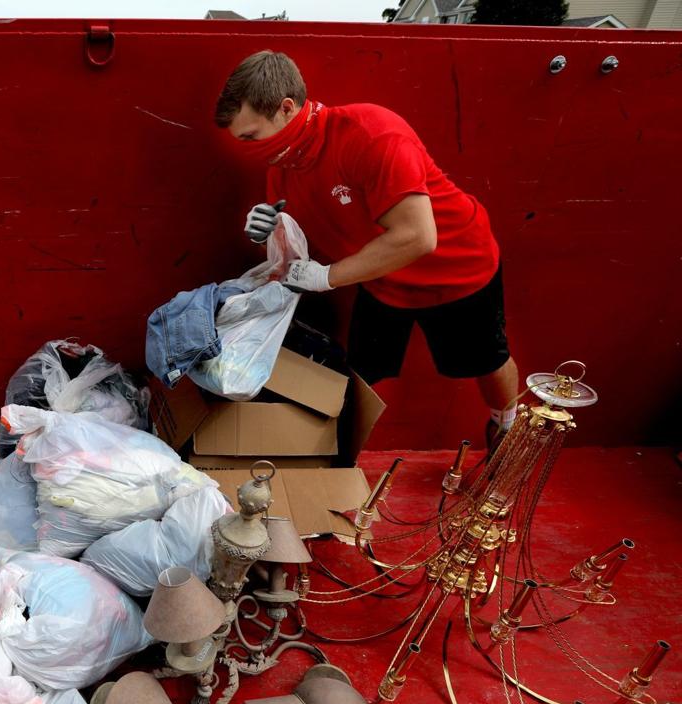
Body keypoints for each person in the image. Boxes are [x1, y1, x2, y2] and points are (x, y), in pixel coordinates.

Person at [215, 51, 519, 451]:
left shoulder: (372, 134)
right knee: (359, 371)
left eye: (251, 136)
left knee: (486, 361)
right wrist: (266, 232)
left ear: (287, 109)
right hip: (380, 278)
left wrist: (326, 276)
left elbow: (417, 237)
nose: (248, 150)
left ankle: (506, 428)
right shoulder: (282, 164)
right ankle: (341, 460)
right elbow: (288, 246)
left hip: (456, 269)